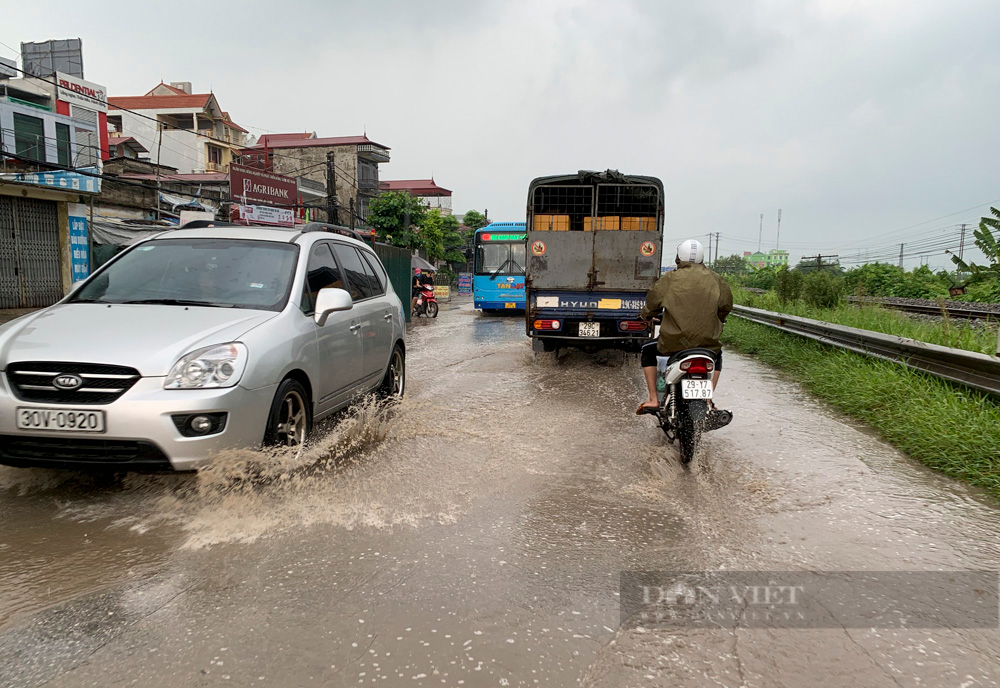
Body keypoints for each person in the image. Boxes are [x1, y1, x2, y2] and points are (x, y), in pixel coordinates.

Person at [636, 239, 733, 414]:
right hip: (707, 344)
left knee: (648, 351)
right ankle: (708, 400)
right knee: (717, 356)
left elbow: (652, 303)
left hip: (673, 343)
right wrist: (720, 318)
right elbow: (725, 307)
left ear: (679, 258)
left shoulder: (670, 278)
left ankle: (652, 398)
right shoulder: (717, 279)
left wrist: (646, 316)